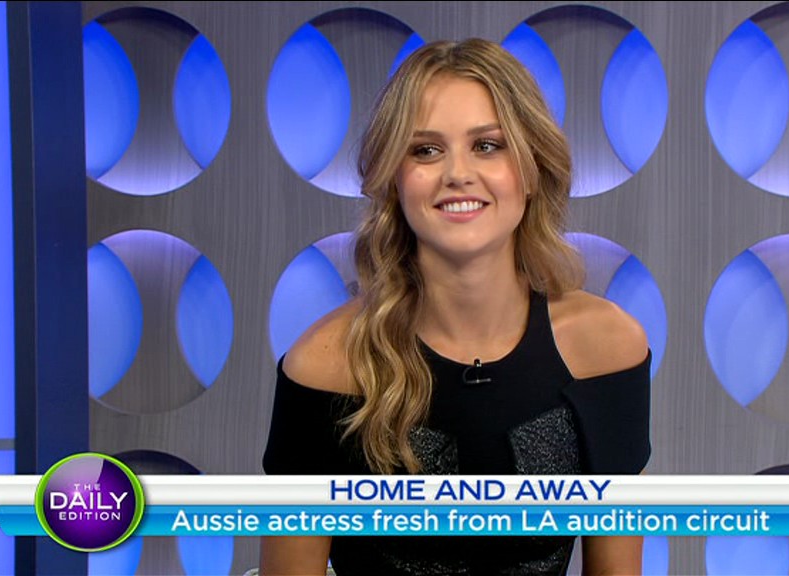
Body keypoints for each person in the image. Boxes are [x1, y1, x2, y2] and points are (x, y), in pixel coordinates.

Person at [261, 38, 651, 576]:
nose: (458, 174)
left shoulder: (606, 348)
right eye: (425, 150)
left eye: (487, 145)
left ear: (532, 168)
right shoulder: (327, 363)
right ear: (393, 180)